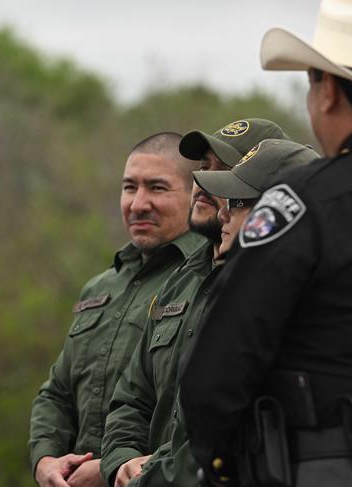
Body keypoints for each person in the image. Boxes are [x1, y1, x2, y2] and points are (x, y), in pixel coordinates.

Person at [180, 0, 352, 485]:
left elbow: (217, 370)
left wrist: (220, 466)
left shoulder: (301, 203)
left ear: (327, 92)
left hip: (334, 467)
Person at [102, 138, 317, 487]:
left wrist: (150, 478)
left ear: (278, 210)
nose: (223, 212)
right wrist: (120, 462)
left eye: (238, 201)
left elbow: (219, 428)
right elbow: (131, 396)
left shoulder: (279, 304)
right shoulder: (184, 279)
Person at [29, 132, 204, 487]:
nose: (138, 203)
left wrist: (111, 469)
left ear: (195, 196)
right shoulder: (101, 286)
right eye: (129, 187)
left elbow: (192, 410)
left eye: (157, 188)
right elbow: (57, 391)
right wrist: (46, 460)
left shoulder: (206, 280)